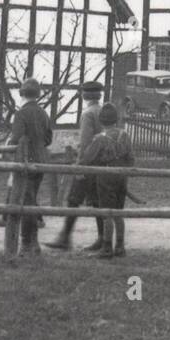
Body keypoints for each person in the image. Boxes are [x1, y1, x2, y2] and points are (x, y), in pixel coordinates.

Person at [47, 79, 107, 251]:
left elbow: (86, 140)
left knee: (74, 199)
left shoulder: (88, 114)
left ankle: (65, 238)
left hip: (87, 163)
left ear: (85, 96)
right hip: (101, 163)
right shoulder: (103, 111)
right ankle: (101, 238)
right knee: (97, 201)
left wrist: (80, 164)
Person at [76, 102, 134, 260]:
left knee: (106, 213)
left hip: (105, 178)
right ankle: (120, 246)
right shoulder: (125, 135)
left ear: (101, 121)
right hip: (122, 177)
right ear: (116, 119)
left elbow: (88, 158)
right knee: (118, 213)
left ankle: (107, 247)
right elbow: (131, 159)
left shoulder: (99, 139)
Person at [4, 76, 52, 258]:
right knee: (31, 200)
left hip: (25, 162)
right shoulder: (43, 113)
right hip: (40, 162)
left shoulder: (21, 114)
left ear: (21, 94)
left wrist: (10, 142)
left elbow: (15, 139)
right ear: (38, 95)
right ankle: (34, 242)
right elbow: (49, 139)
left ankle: (26, 243)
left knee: (26, 203)